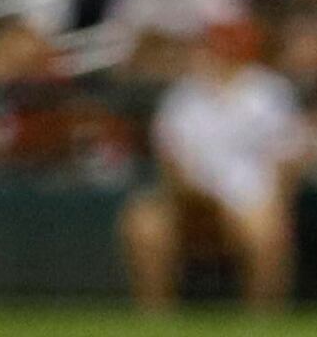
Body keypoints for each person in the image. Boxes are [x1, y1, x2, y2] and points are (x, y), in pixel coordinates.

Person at [124, 17, 303, 311]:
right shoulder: (183, 95)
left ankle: (263, 322)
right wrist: (192, 195)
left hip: (248, 199)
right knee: (143, 222)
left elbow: (287, 160)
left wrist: (276, 202)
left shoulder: (269, 91)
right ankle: (154, 318)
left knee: (266, 229)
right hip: (191, 198)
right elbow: (171, 161)